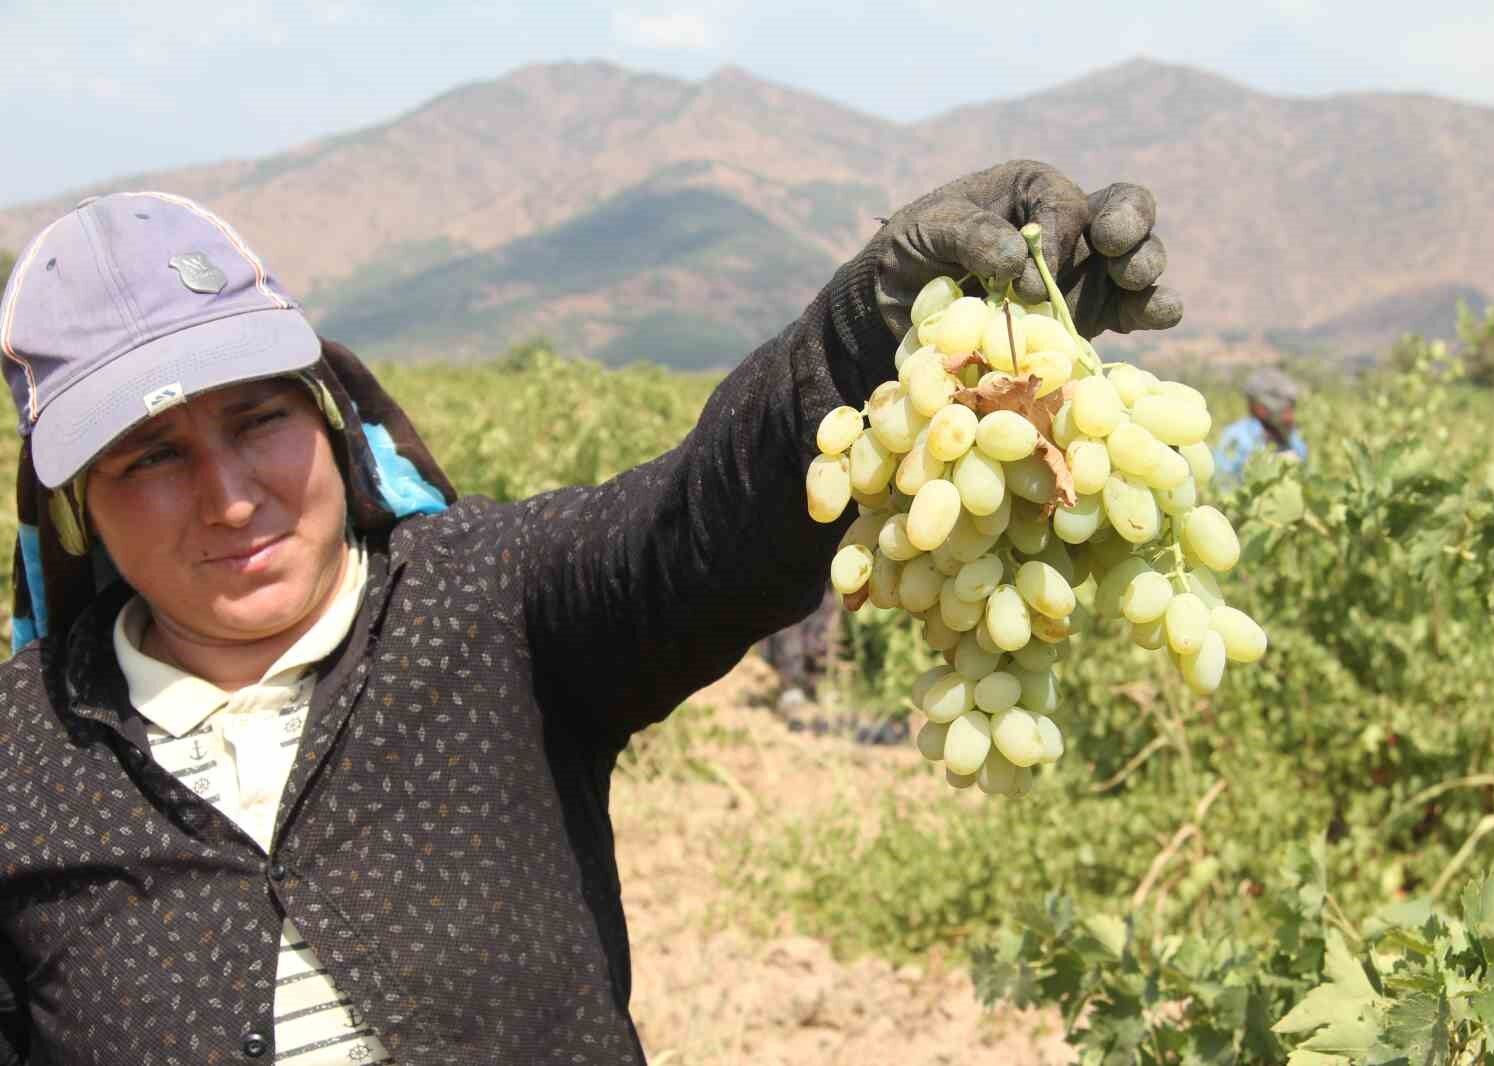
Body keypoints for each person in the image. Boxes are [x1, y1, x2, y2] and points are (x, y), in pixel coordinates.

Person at [0, 161, 1181, 1064]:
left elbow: (703, 522)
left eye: (259, 419)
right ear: (75, 508)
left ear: (330, 416)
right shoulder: (23, 757)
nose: (228, 495)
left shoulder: (488, 605)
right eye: (150, 455)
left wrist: (872, 326)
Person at [1214, 365, 1309, 482]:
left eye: (1291, 407)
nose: (1290, 416)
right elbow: (1222, 482)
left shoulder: (1293, 438)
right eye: (1286, 408)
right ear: (1259, 408)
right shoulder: (1236, 437)